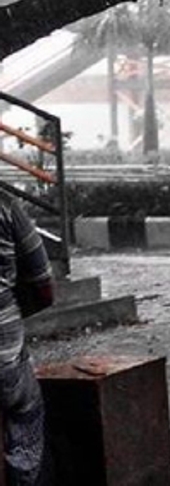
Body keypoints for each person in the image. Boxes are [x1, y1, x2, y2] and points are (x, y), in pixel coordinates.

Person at [0, 196, 54, 485]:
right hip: (4, 362)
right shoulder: (6, 207)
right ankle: (24, 471)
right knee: (26, 413)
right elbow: (44, 285)